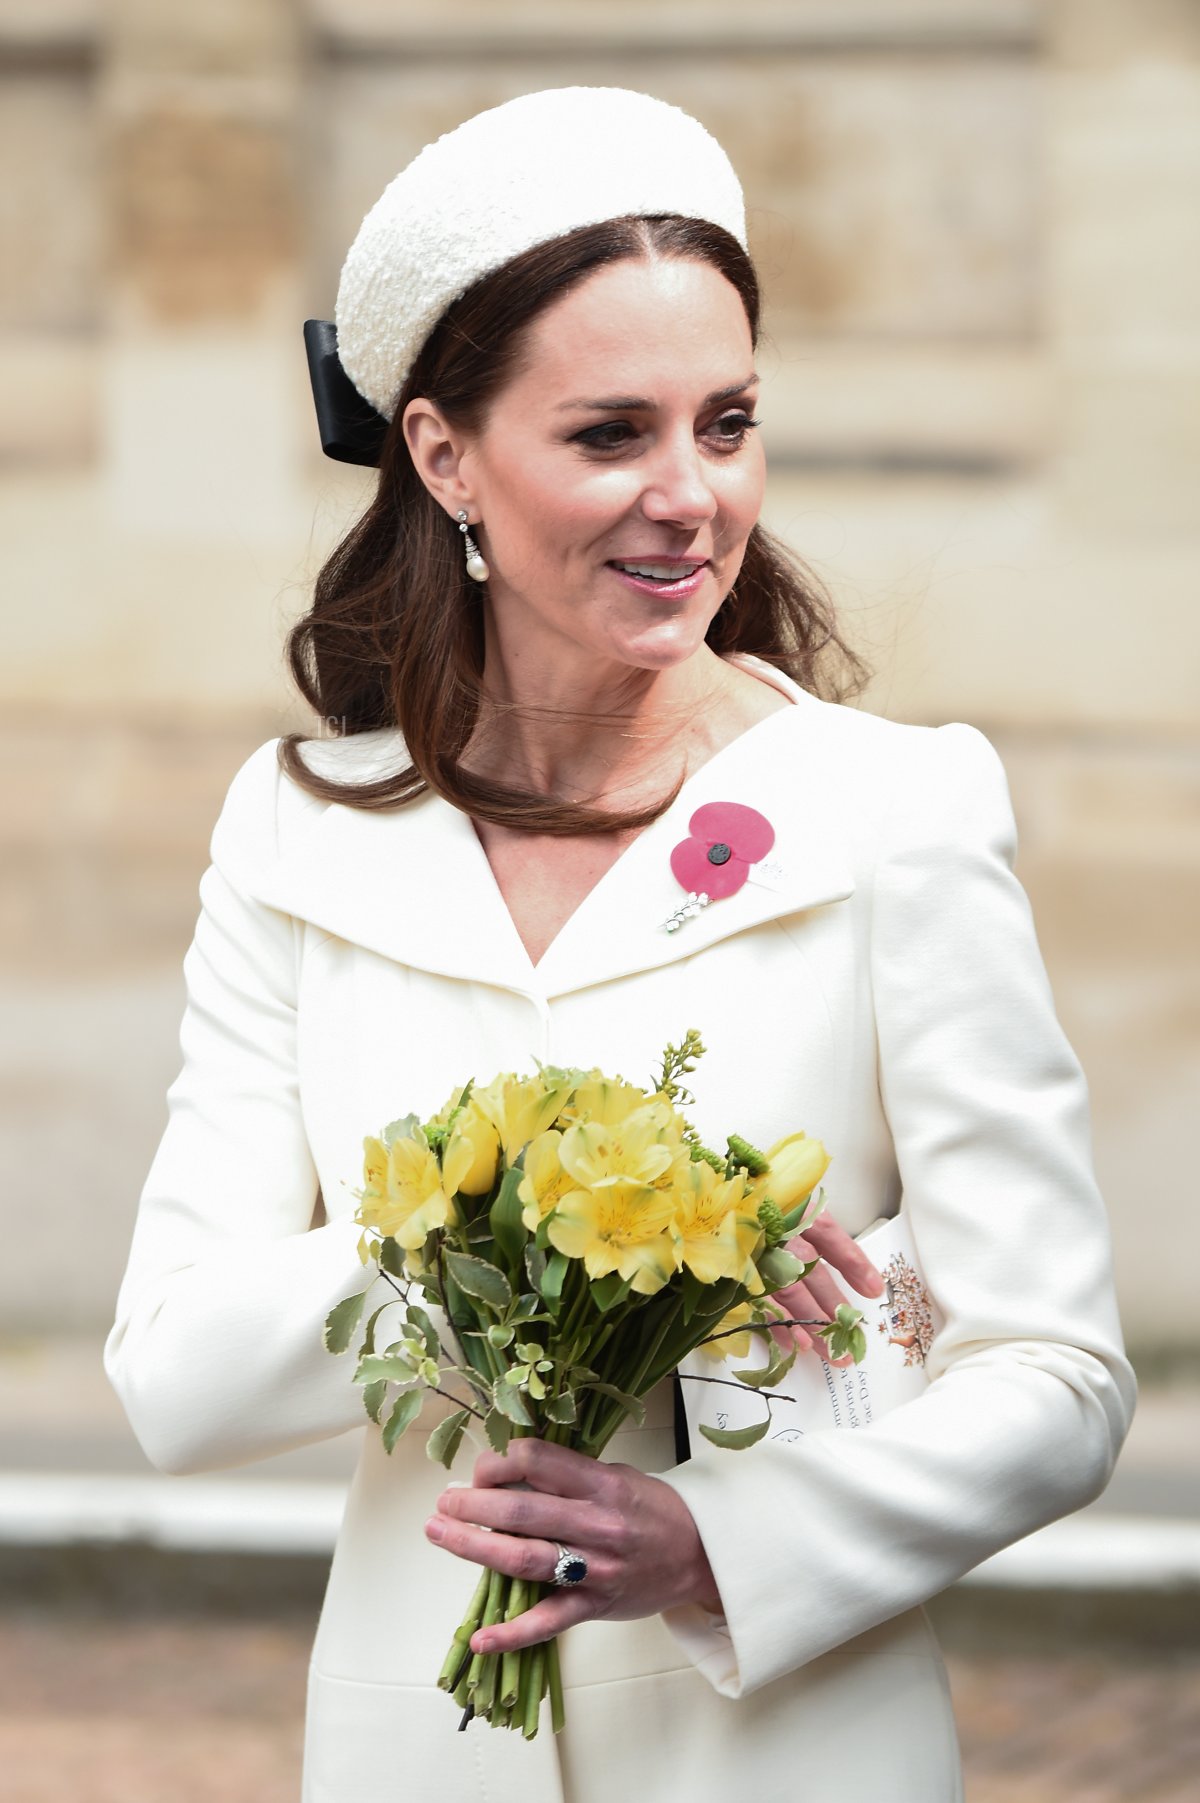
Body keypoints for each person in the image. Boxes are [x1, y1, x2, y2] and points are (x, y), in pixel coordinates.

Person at [105, 87, 1136, 1802]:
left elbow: (1059, 1372)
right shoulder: (296, 826)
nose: (690, 499)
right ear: (443, 456)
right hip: (413, 1752)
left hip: (792, 1750)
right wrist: (516, 1224)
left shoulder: (897, 812)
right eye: (609, 435)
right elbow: (175, 1380)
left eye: (726, 425)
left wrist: (728, 1544)